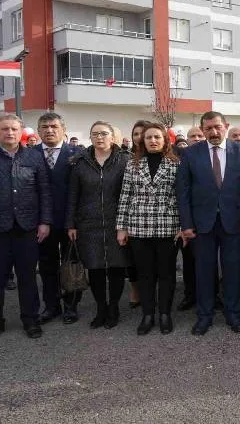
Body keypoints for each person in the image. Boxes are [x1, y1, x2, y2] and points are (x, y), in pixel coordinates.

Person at [0, 114, 52, 343]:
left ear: (21, 130)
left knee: (27, 279)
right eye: (4, 129)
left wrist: (45, 222)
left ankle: (31, 320)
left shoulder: (34, 157)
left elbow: (44, 191)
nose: (10, 133)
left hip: (27, 228)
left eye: (14, 129)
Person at [176, 111, 240, 336]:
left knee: (233, 270)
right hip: (202, 225)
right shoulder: (190, 154)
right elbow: (184, 192)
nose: (213, 132)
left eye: (217, 127)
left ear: (226, 126)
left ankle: (233, 313)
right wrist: (186, 224)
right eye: (208, 128)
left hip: (234, 223)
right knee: (204, 271)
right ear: (202, 129)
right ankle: (204, 316)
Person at [117, 122, 181, 335]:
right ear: (142, 141)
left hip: (167, 226)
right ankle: (147, 314)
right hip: (138, 227)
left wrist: (182, 226)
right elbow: (125, 197)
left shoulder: (175, 164)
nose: (153, 141)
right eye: (149, 137)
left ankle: (164, 314)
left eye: (157, 137)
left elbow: (181, 197)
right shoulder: (132, 164)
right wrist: (121, 227)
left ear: (165, 141)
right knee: (145, 274)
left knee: (166, 274)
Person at [66, 121, 131, 330]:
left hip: (117, 223)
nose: (99, 137)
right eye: (95, 134)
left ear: (113, 137)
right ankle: (101, 308)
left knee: (116, 267)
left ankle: (114, 308)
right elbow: (73, 196)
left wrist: (126, 224)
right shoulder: (80, 163)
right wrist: (71, 224)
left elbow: (130, 195)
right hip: (88, 224)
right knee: (94, 268)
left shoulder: (125, 161)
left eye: (104, 133)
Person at [34, 113, 80, 325]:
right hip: (41, 222)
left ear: (63, 129)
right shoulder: (30, 154)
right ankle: (51, 305)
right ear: (38, 130)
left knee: (71, 264)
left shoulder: (77, 154)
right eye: (44, 126)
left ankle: (71, 305)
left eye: (53, 126)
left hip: (70, 221)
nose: (49, 130)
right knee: (47, 266)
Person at [126, 120, 151, 309]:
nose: (140, 137)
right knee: (132, 260)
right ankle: (136, 289)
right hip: (130, 216)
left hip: (155, 219)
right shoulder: (124, 158)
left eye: (144, 133)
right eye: (136, 134)